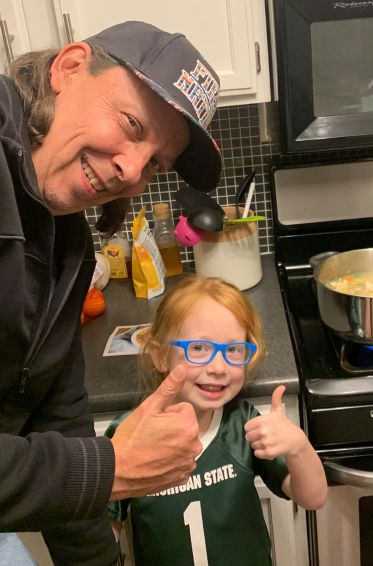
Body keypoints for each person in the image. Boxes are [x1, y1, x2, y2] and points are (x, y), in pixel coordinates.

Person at [0, 20, 222, 565]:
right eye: (130, 123)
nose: (130, 168)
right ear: (69, 67)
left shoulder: (65, 243)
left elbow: (58, 414)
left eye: (155, 165)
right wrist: (111, 467)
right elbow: (87, 463)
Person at [105, 276, 328, 565]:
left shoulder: (243, 424)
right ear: (160, 357)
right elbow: (104, 533)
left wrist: (298, 447)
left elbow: (312, 498)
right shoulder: (131, 436)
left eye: (233, 350)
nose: (219, 367)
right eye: (199, 348)